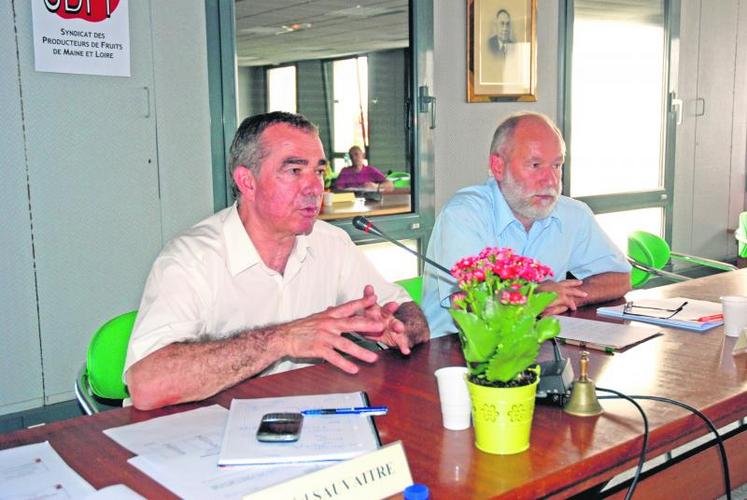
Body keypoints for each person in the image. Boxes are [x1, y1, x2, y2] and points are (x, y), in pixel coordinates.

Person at [124, 112, 429, 410]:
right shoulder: (191, 259)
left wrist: (399, 327)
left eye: (319, 171)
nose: (314, 188)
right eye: (295, 171)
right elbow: (148, 385)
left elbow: (404, 309)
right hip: (204, 431)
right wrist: (282, 339)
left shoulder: (331, 243)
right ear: (247, 182)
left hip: (303, 419)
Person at [422, 112, 631, 338]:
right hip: (452, 352)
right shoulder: (464, 214)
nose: (550, 180)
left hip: (533, 346)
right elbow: (467, 303)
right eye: (535, 165)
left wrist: (564, 296)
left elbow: (619, 278)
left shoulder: (573, 214)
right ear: (498, 166)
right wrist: (534, 296)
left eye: (557, 165)